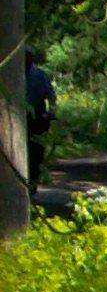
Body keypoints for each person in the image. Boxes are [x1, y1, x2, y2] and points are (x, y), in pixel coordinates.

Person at [24, 45, 53, 193]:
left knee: (36, 151)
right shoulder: (14, 74)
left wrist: (51, 112)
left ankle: (33, 182)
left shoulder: (40, 75)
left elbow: (51, 96)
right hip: (20, 114)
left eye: (28, 56)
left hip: (37, 117)